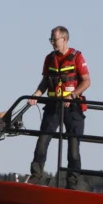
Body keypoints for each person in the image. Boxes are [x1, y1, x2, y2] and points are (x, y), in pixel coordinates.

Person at [27, 26, 91, 189]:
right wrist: (36, 94)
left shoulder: (77, 57)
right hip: (53, 106)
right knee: (43, 140)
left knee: (73, 145)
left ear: (64, 39)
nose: (52, 43)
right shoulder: (49, 59)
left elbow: (86, 81)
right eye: (51, 40)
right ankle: (36, 176)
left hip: (73, 108)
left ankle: (72, 182)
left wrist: (73, 95)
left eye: (54, 40)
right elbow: (45, 81)